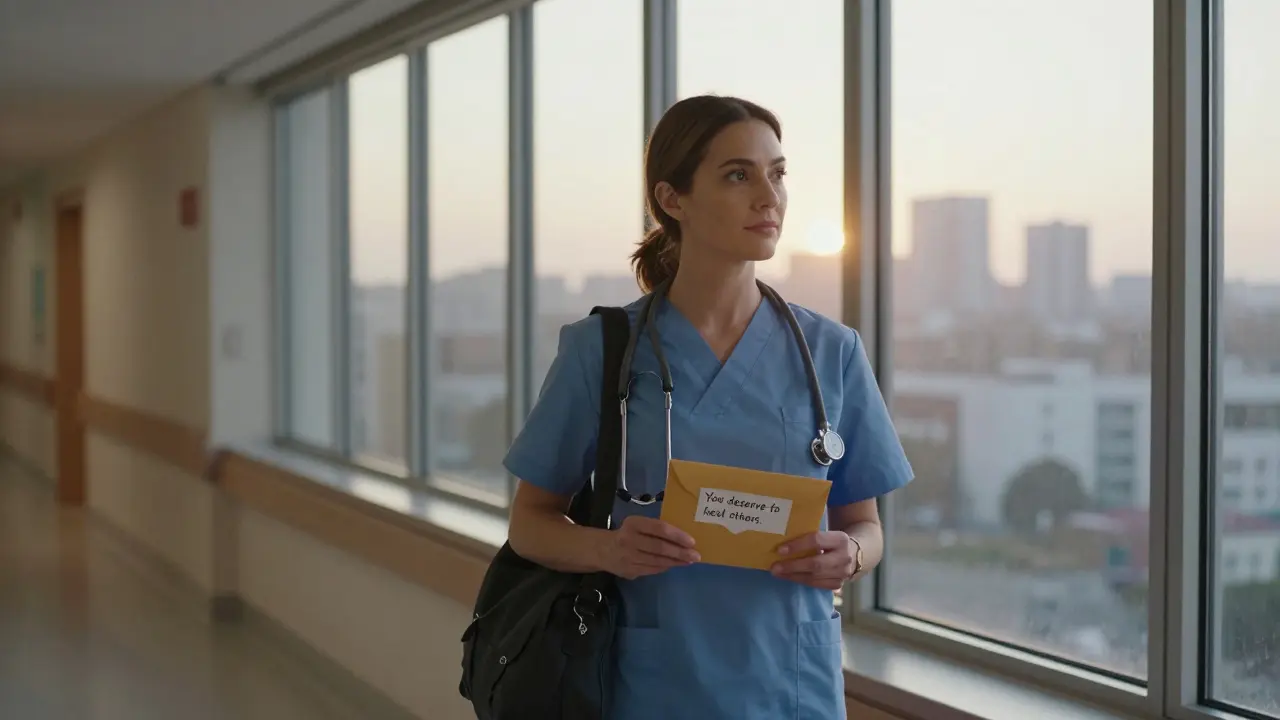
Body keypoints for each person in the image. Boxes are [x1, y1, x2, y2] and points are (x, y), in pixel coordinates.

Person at [504, 94, 914, 719]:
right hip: (649, 685)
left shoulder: (832, 353)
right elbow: (530, 522)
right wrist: (606, 549)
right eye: (737, 175)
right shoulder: (601, 352)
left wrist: (851, 554)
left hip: (791, 687)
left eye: (777, 173)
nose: (768, 196)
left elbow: (868, 525)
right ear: (673, 200)